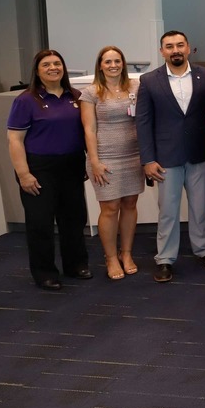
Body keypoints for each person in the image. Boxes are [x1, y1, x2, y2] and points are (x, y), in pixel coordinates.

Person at [137, 31, 205, 283]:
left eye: (179, 45)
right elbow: (143, 122)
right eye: (169, 46)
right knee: (168, 211)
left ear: (188, 48)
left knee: (199, 207)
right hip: (165, 157)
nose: (175, 50)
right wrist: (147, 159)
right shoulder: (149, 80)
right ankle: (165, 258)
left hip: (199, 153)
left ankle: (204, 250)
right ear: (161, 51)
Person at [7, 50, 90, 291]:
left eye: (57, 63)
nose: (53, 68)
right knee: (40, 223)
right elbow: (14, 140)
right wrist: (23, 174)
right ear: (37, 70)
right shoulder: (26, 100)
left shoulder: (76, 96)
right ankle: (44, 273)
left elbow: (87, 131)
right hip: (38, 168)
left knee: (74, 219)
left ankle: (76, 265)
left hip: (72, 165)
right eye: (46, 65)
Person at [80, 46, 144, 280]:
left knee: (130, 204)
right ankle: (110, 258)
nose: (113, 65)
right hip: (104, 157)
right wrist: (94, 161)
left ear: (123, 63)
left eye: (117, 61)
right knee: (110, 208)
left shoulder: (136, 87)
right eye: (108, 62)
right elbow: (89, 129)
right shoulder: (90, 93)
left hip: (133, 155)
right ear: (100, 65)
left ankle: (126, 253)